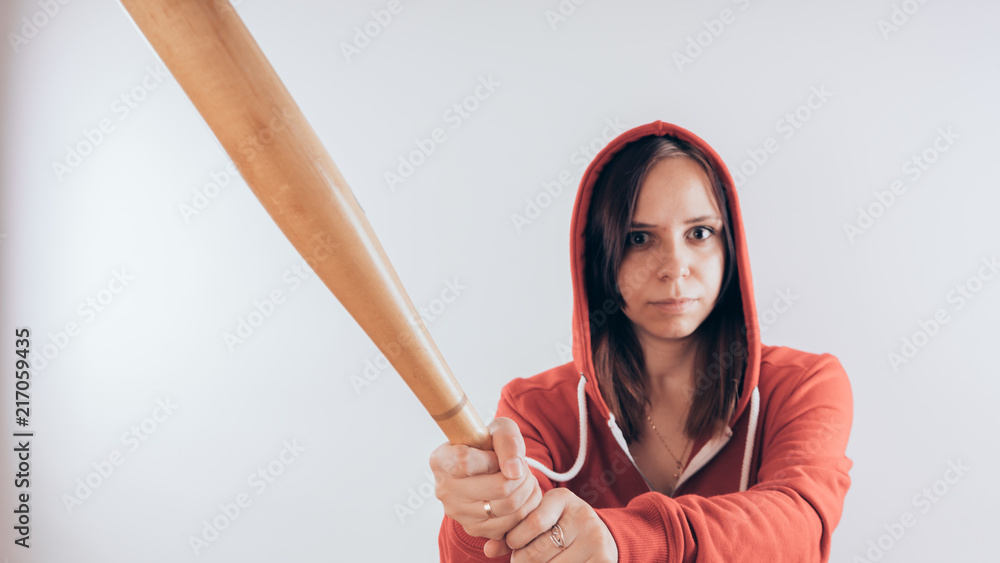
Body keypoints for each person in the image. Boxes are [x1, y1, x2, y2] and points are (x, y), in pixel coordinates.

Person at [429, 120, 853, 562]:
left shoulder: (804, 385)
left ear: (731, 248)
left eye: (700, 233)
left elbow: (799, 525)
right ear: (600, 260)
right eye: (639, 238)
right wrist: (476, 517)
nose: (674, 266)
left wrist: (624, 540)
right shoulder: (535, 409)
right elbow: (494, 554)